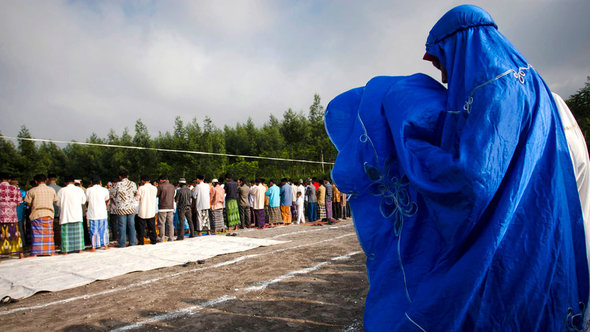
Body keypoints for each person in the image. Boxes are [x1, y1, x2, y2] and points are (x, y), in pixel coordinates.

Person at [325, 5, 588, 331]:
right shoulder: (538, 91)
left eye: (442, 64)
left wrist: (414, 151)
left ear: (460, 47)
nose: (445, 77)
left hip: (514, 243)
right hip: (549, 228)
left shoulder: (495, 89)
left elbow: (473, 180)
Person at [24, 174, 58, 256]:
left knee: (37, 233)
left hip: (37, 214)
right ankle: (50, 251)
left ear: (36, 181)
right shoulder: (51, 190)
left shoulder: (32, 190)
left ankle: (36, 252)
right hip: (48, 213)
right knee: (49, 233)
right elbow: (55, 201)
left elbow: (28, 203)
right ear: (46, 180)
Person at [56, 175, 86, 254]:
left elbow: (58, 203)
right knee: (78, 235)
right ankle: (80, 249)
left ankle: (65, 251)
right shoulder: (79, 190)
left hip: (65, 216)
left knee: (66, 236)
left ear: (65, 182)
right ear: (73, 182)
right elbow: (83, 201)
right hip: (77, 215)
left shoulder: (61, 191)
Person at [0, 172, 24, 260]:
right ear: (9, 180)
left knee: (1, 235)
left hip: (1, 216)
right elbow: (18, 203)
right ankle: (20, 254)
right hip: (12, 215)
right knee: (15, 235)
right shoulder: (15, 188)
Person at [113, 169, 138, 247]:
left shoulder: (117, 184)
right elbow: (136, 194)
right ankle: (132, 242)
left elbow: (113, 194)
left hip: (121, 208)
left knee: (122, 226)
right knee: (131, 225)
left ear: (120, 177)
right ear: (127, 176)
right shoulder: (133, 184)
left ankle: (122, 243)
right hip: (131, 207)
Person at [85, 175, 110, 251]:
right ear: (100, 182)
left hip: (93, 212)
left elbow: (86, 200)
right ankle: (105, 245)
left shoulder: (88, 190)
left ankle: (94, 247)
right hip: (102, 211)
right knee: (104, 229)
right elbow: (107, 199)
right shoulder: (104, 190)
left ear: (91, 182)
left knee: (93, 230)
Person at [136, 175, 158, 244]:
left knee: (141, 228)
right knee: (152, 227)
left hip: (143, 209)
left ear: (142, 181)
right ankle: (153, 240)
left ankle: (141, 241)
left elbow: (137, 198)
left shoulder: (141, 188)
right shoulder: (154, 188)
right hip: (151, 210)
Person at [157, 174, 175, 242]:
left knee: (161, 223)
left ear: (161, 180)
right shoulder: (172, 186)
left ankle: (161, 238)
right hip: (170, 206)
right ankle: (171, 237)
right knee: (170, 223)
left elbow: (157, 194)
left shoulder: (160, 186)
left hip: (162, 207)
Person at [47, 174, 62, 248]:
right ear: (56, 179)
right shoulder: (60, 189)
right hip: (58, 211)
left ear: (47, 179)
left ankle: (50, 243)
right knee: (58, 229)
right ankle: (58, 243)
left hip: (49, 211)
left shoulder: (47, 188)